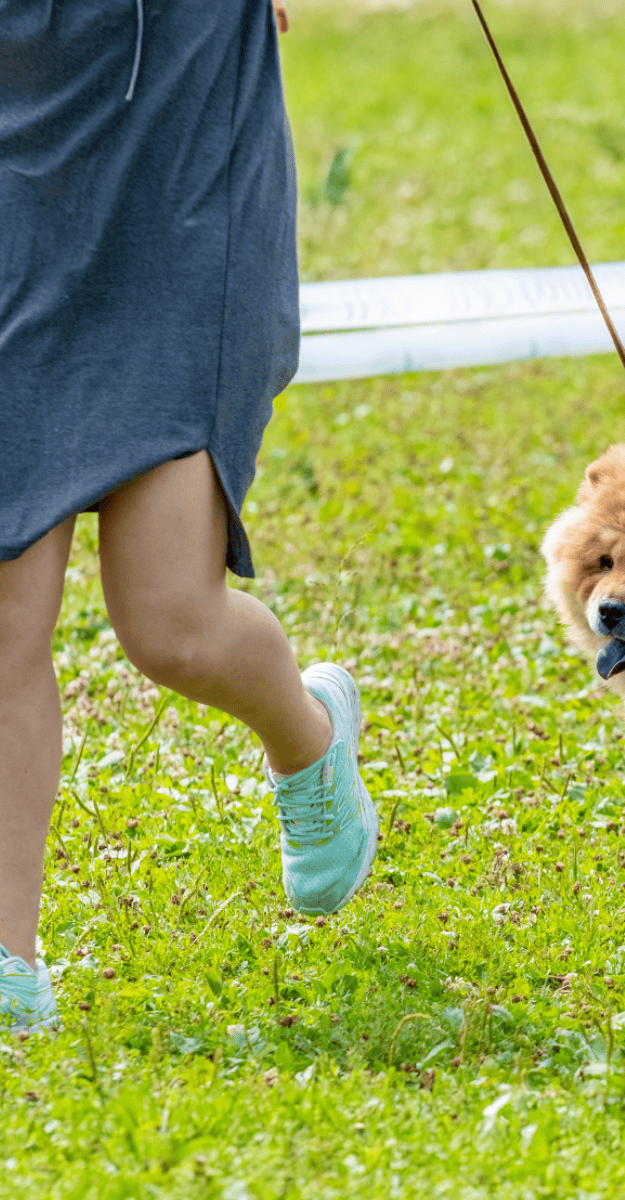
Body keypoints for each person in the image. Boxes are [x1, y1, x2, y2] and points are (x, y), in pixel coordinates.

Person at [0, 0, 377, 1030]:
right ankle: (8, 967)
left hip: (186, 198)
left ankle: (309, 738)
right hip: (20, 204)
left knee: (168, 622)